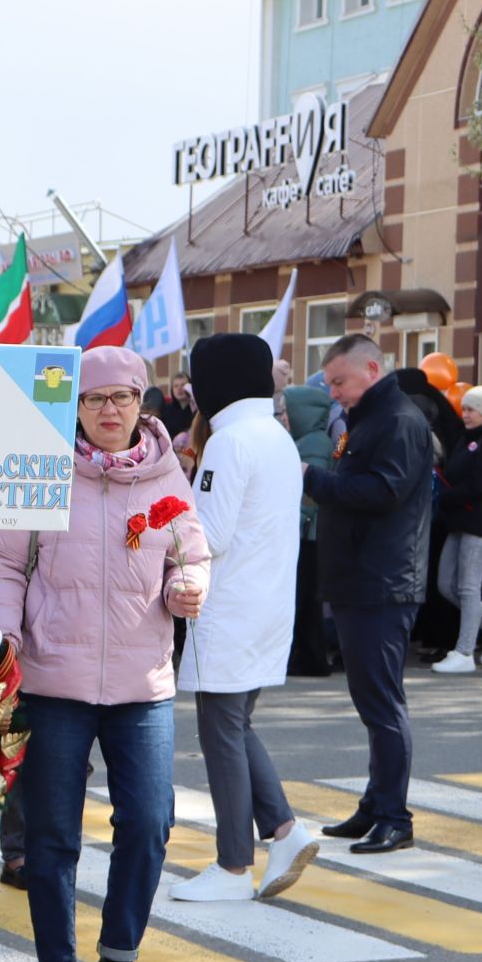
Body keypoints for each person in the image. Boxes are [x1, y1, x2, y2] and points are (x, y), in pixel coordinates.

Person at [0, 345, 207, 962]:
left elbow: (189, 551)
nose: (110, 411)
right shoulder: (40, 468)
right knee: (50, 836)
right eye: (94, 399)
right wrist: (6, 635)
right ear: (74, 407)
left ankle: (119, 956)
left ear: (144, 403)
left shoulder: (168, 475)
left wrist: (187, 586)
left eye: (122, 398)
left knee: (148, 822)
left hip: (142, 681)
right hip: (51, 679)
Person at [167, 334, 314, 903]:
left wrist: (165, 518)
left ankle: (233, 866)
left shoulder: (229, 442)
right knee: (235, 724)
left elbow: (210, 533)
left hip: (228, 605)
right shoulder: (274, 434)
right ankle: (283, 828)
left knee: (220, 730)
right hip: (268, 601)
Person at [302, 335, 432, 854]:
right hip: (364, 576)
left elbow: (382, 492)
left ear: (371, 369)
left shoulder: (398, 420)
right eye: (330, 383)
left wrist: (312, 479)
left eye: (339, 381)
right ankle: (376, 805)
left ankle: (395, 817)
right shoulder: (370, 416)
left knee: (382, 703)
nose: (334, 393)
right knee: (372, 700)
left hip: (383, 580)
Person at [430, 386, 482, 673]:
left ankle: (464, 651)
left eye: (472, 409)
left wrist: (443, 496)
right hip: (460, 520)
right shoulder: (468, 438)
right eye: (464, 408)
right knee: (446, 584)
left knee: (468, 586)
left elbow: (480, 483)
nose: (465, 414)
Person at [283, 383, 335, 676]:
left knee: (302, 597)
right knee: (306, 598)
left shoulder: (313, 444)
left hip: (307, 532)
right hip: (308, 531)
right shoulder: (310, 439)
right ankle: (311, 658)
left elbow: (309, 491)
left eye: (289, 411)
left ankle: (309, 658)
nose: (285, 416)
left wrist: (300, 519)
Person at [161, 370, 196, 439]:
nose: (179, 389)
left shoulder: (196, 410)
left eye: (183, 385)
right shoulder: (166, 410)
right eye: (176, 386)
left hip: (191, 448)